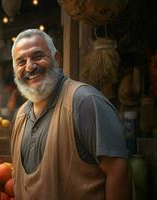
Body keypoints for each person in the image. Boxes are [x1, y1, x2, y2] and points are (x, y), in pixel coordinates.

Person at [10, 29, 131, 200]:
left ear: (56, 59)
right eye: (21, 62)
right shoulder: (21, 115)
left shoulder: (84, 101)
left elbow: (118, 171)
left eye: (37, 56)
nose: (29, 66)